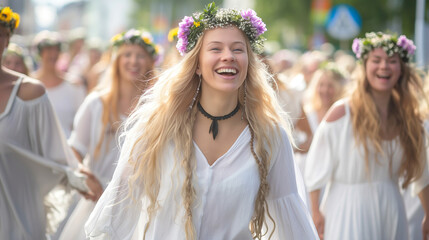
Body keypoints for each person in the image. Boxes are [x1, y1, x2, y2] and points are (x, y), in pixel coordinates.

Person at [85, 3, 318, 240]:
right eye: (216, 49)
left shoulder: (270, 135)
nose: (228, 56)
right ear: (196, 64)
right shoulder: (156, 126)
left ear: (249, 62)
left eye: (238, 49)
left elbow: (291, 218)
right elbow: (119, 207)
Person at [305, 32, 429, 240]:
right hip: (348, 208)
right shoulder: (342, 113)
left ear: (401, 69)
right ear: (364, 67)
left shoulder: (409, 119)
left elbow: (421, 171)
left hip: (391, 207)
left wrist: (427, 213)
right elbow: (315, 169)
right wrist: (316, 214)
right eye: (377, 60)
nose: (384, 67)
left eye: (392, 61)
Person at [0, 6, 95, 239]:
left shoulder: (29, 93)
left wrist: (83, 178)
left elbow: (59, 154)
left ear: (7, 39)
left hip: (19, 215)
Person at [57, 28, 159, 240]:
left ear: (150, 62)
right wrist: (84, 175)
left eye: (140, 55)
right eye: (127, 55)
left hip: (139, 207)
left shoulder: (157, 108)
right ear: (116, 60)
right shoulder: (96, 104)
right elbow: (73, 149)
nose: (134, 61)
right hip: (98, 202)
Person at [31, 30, 86, 138]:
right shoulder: (28, 84)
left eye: (56, 50)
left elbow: (82, 123)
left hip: (66, 150)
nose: (53, 54)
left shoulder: (74, 86)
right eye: (48, 50)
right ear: (39, 53)